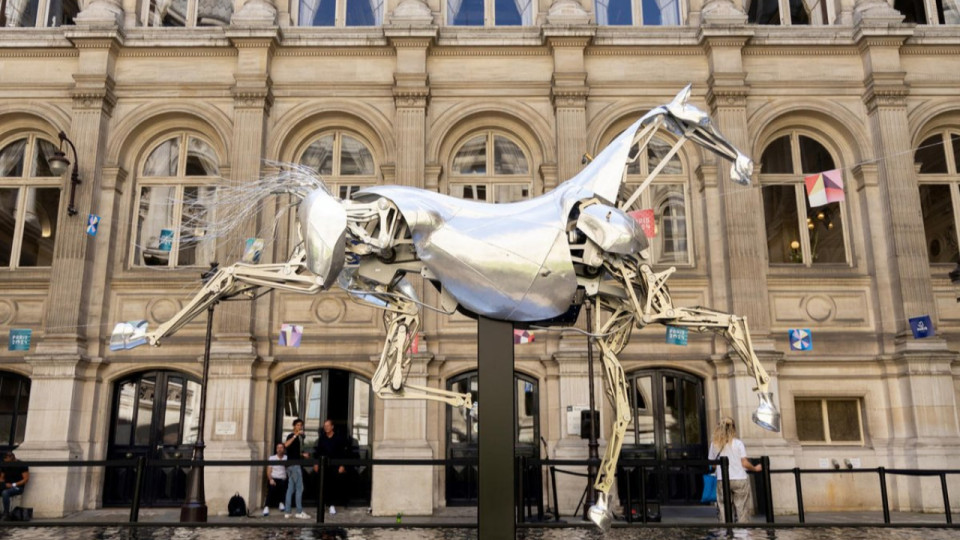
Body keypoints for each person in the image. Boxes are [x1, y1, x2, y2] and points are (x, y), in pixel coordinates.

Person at [708, 417, 762, 523]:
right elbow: (744, 463)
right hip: (739, 478)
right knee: (742, 509)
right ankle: (742, 534)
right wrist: (755, 468)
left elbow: (713, 465)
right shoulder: (738, 443)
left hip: (722, 479)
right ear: (733, 428)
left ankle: (725, 533)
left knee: (723, 508)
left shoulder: (714, 444)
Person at [313, 419, 352, 515]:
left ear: (332, 427)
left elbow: (344, 453)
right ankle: (324, 504)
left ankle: (332, 505)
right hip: (324, 466)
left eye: (328, 425)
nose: (326, 427)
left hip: (336, 466)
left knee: (334, 485)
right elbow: (318, 452)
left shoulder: (339, 438)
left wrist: (343, 465)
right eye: (324, 426)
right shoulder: (322, 438)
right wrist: (316, 463)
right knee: (323, 484)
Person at [283, 418, 311, 519]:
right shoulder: (292, 436)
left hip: (291, 465)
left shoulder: (297, 438)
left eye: (301, 425)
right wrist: (295, 435)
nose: (300, 427)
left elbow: (292, 452)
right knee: (300, 488)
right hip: (294, 466)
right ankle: (299, 511)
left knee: (290, 489)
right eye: (298, 425)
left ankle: (287, 512)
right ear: (294, 426)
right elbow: (285, 445)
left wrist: (302, 454)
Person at [0, 452, 28, 520]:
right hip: (7, 485)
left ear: (11, 458)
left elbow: (25, 479)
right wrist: (4, 484)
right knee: (4, 490)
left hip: (18, 487)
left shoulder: (22, 465)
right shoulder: (5, 465)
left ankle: (6, 513)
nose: (5, 462)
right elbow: (1, 477)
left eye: (6, 460)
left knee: (5, 492)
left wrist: (13, 485)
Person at [263, 443, 288, 516]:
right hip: (274, 478)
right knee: (271, 488)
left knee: (284, 485)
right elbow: (268, 471)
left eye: (281, 448)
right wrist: (270, 479)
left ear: (284, 449)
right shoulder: (272, 458)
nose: (280, 449)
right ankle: (266, 506)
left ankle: (281, 503)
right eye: (278, 448)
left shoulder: (286, 458)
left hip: (283, 478)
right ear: (276, 449)